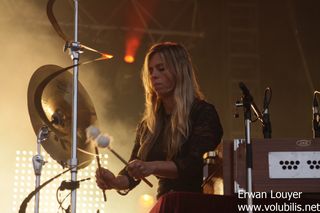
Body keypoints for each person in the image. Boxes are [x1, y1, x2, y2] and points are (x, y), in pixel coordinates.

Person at [95, 42, 223, 199]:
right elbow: (132, 171)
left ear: (179, 71)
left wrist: (151, 166)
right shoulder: (148, 125)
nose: (153, 75)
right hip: (165, 202)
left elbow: (193, 164)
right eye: (150, 71)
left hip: (196, 201)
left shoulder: (203, 113)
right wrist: (114, 181)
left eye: (161, 69)